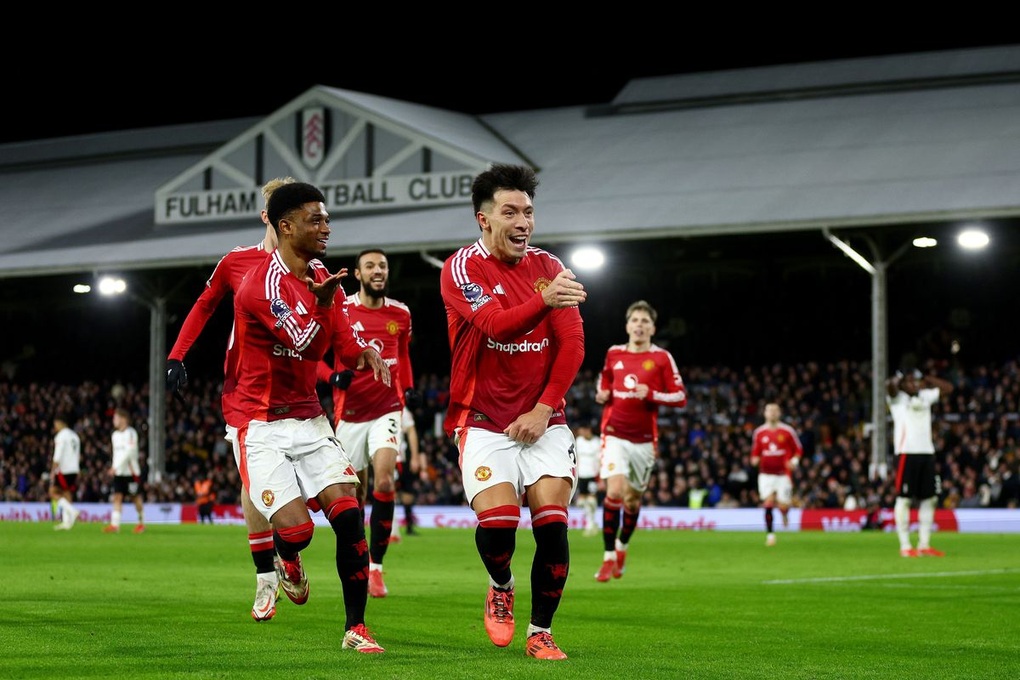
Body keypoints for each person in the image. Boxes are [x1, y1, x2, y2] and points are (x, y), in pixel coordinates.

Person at [232, 181, 390, 653]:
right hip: (260, 422)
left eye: (326, 218)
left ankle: (356, 629)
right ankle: (287, 555)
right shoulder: (258, 285)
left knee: (348, 513)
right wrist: (322, 304)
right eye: (315, 219)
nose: (326, 227)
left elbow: (337, 343)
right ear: (285, 227)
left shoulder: (323, 273)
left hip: (308, 418)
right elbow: (305, 343)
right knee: (298, 531)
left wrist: (361, 353)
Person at [439, 163, 586, 661]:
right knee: (500, 523)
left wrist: (545, 409)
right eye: (510, 212)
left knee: (551, 522)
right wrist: (544, 301)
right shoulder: (461, 268)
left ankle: (540, 631)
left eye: (528, 211)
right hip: (482, 417)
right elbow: (497, 326)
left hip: (543, 419)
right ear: (484, 219)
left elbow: (572, 346)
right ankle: (500, 583)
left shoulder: (548, 266)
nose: (523, 221)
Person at [166, 177, 294, 621]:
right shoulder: (237, 262)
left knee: (299, 489)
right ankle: (265, 578)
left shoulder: (310, 268)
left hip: (298, 397)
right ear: (269, 217)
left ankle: (290, 552)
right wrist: (177, 355)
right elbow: (204, 304)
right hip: (247, 394)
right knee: (252, 483)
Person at [317, 248, 417, 599]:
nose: (378, 270)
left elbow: (402, 357)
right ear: (357, 274)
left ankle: (376, 567)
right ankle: (359, 561)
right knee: (355, 494)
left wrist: (409, 389)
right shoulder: (341, 309)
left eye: (383, 265)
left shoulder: (400, 313)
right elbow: (315, 355)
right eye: (370, 266)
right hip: (350, 415)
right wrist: (332, 378)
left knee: (385, 478)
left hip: (388, 408)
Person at [594, 300, 687, 582]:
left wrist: (653, 394)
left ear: (653, 328)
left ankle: (623, 546)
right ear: (627, 325)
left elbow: (680, 396)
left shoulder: (661, 357)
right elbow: (604, 382)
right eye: (635, 320)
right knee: (615, 491)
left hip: (645, 440)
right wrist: (602, 393)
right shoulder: (614, 353)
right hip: (614, 433)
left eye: (645, 321)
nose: (639, 325)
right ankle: (608, 556)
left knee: (632, 502)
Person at [886, 367, 954, 557]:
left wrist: (928, 378)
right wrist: (900, 381)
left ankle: (924, 544)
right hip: (906, 452)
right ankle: (905, 546)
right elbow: (890, 387)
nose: (914, 384)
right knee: (905, 499)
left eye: (916, 381)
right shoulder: (897, 398)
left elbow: (948, 388)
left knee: (930, 499)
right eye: (910, 381)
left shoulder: (925, 396)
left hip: (927, 452)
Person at [749, 402, 803, 546]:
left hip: (783, 475)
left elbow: (798, 449)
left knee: (783, 505)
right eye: (769, 410)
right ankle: (770, 535)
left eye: (775, 410)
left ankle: (785, 513)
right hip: (765, 474)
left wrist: (794, 462)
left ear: (779, 413)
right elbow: (755, 452)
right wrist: (754, 459)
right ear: (765, 413)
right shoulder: (759, 432)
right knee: (768, 503)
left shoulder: (787, 431)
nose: (772, 413)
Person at [104, 407, 145, 534]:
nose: (113, 421)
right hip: (119, 473)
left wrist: (115, 467)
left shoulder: (131, 433)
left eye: (115, 418)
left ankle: (141, 523)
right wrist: (115, 468)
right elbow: (116, 454)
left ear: (124, 419)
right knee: (117, 497)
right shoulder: (115, 435)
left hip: (131, 473)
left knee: (135, 498)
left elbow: (129, 453)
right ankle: (115, 525)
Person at [394, 405, 425, 539]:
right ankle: (391, 528)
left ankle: (408, 526)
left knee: (408, 492)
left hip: (401, 458)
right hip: (385, 456)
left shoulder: (402, 410)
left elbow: (411, 431)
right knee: (389, 490)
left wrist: (414, 457)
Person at [50, 414, 82, 530]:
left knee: (53, 492)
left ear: (60, 423)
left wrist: (53, 470)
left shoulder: (61, 436)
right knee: (66, 493)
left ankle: (72, 512)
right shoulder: (75, 436)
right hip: (74, 469)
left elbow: (57, 455)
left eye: (55, 424)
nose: (55, 427)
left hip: (64, 469)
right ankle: (67, 522)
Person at [572, 423, 601, 537]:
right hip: (581, 474)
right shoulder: (578, 441)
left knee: (591, 500)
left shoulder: (596, 442)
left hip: (593, 474)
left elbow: (600, 459)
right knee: (581, 502)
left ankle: (590, 523)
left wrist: (600, 476)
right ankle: (591, 522)